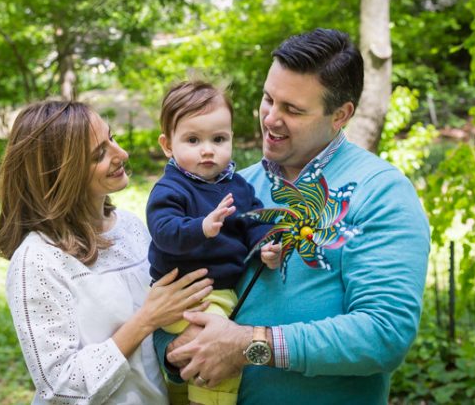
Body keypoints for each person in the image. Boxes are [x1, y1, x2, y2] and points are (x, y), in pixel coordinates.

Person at [158, 29, 431, 405]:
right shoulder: (226, 186)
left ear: (341, 115)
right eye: (268, 99)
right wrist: (176, 351)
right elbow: (167, 302)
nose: (271, 119)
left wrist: (250, 346)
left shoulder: (381, 191)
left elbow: (384, 334)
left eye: (293, 109)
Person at [0, 100, 215, 405]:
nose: (121, 154)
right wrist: (145, 320)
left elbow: (155, 345)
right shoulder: (37, 260)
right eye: (99, 154)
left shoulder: (132, 227)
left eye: (112, 138)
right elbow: (60, 388)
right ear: (59, 174)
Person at [146, 81, 282, 405]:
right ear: (168, 144)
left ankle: (181, 396)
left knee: (182, 375)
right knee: (217, 351)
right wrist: (201, 228)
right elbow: (164, 229)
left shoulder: (238, 186)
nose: (207, 149)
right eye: (193, 140)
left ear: (231, 138)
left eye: (218, 139)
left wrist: (267, 245)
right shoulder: (170, 189)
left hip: (214, 288)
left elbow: (254, 220)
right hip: (191, 291)